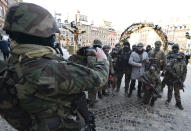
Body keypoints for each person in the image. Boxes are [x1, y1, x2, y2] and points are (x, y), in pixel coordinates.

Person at [0, 2, 109, 131]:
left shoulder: (17, 60)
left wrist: (77, 56)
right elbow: (98, 78)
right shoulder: (48, 71)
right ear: (41, 35)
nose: (54, 39)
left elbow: (64, 67)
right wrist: (103, 59)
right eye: (52, 35)